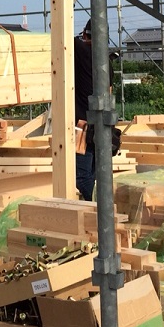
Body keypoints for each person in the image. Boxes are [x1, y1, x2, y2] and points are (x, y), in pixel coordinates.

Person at [73, 19, 96, 201]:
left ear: (85, 34)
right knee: (94, 174)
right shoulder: (106, 62)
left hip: (83, 127)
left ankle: (104, 208)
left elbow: (59, 29)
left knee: (81, 177)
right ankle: (100, 209)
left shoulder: (83, 52)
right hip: (100, 125)